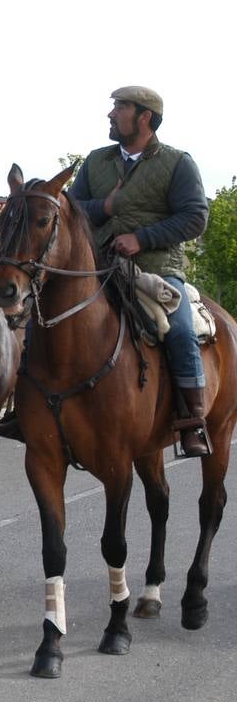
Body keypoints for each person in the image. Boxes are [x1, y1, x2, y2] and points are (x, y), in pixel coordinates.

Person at [68, 85, 211, 456]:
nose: (111, 115)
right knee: (44, 319)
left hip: (156, 270)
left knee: (179, 330)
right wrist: (105, 207)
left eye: (119, 108)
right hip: (96, 269)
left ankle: (192, 419)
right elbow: (72, 210)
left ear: (144, 116)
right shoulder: (96, 161)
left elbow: (196, 218)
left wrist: (142, 239)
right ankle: (28, 407)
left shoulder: (178, 163)